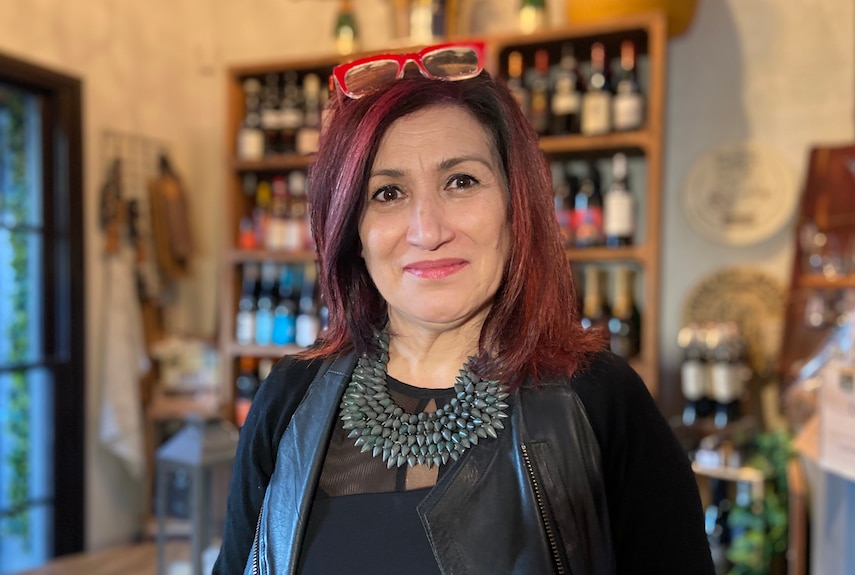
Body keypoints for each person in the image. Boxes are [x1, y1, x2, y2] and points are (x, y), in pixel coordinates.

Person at [214, 42, 714, 575]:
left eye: (461, 182)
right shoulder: (290, 398)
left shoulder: (599, 398)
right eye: (387, 193)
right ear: (353, 231)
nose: (428, 230)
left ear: (514, 207)